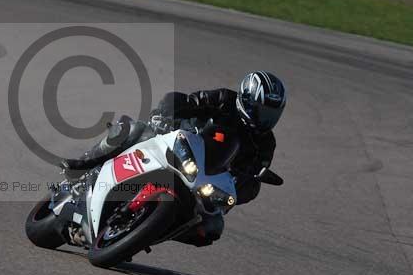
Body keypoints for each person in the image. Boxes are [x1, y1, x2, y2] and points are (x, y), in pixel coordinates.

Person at [61, 71, 287, 244]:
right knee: (130, 129)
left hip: (202, 178)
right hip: (174, 142)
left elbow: (255, 177)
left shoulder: (265, 143)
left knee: (211, 229)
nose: (265, 119)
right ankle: (83, 164)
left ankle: (143, 233)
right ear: (246, 100)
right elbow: (187, 101)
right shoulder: (224, 100)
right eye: (261, 110)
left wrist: (239, 189)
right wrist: (164, 114)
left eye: (272, 114)